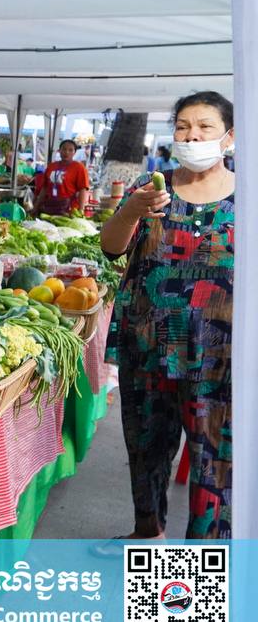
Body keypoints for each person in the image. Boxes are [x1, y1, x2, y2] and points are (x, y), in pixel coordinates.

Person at [98, 92, 233, 543]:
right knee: (146, 448)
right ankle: (147, 533)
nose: (192, 135)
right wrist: (131, 211)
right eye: (182, 126)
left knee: (215, 459)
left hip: (220, 353)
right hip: (148, 343)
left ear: (229, 137)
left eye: (205, 126)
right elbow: (111, 248)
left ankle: (205, 560)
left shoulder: (248, 196)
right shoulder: (151, 187)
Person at [34, 138, 90, 215]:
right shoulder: (52, 166)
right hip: (50, 207)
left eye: (70, 150)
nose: (66, 152)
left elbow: (83, 190)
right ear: (59, 151)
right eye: (64, 149)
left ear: (74, 152)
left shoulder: (79, 168)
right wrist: (36, 206)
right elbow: (44, 188)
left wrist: (81, 210)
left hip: (69, 209)